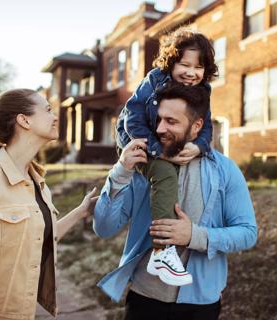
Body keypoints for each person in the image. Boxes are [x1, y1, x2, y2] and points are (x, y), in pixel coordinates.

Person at [95, 83, 257, 319]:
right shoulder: (142, 166)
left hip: (200, 304)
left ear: (197, 126)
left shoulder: (224, 170)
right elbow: (104, 228)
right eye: (158, 120)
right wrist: (120, 172)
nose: (160, 129)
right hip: (145, 299)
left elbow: (247, 232)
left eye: (171, 121)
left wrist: (193, 235)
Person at [0, 89, 98, 320]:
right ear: (24, 120)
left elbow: (39, 238)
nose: (55, 117)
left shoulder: (38, 183)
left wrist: (80, 212)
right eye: (48, 110)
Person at [116, 27, 218, 287]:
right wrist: (158, 151)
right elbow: (133, 118)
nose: (191, 73)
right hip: (138, 141)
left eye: (198, 68)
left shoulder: (203, 91)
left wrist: (199, 147)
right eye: (184, 64)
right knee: (163, 172)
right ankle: (161, 252)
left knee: (178, 170)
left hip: (169, 144)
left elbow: (205, 127)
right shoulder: (154, 80)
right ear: (172, 62)